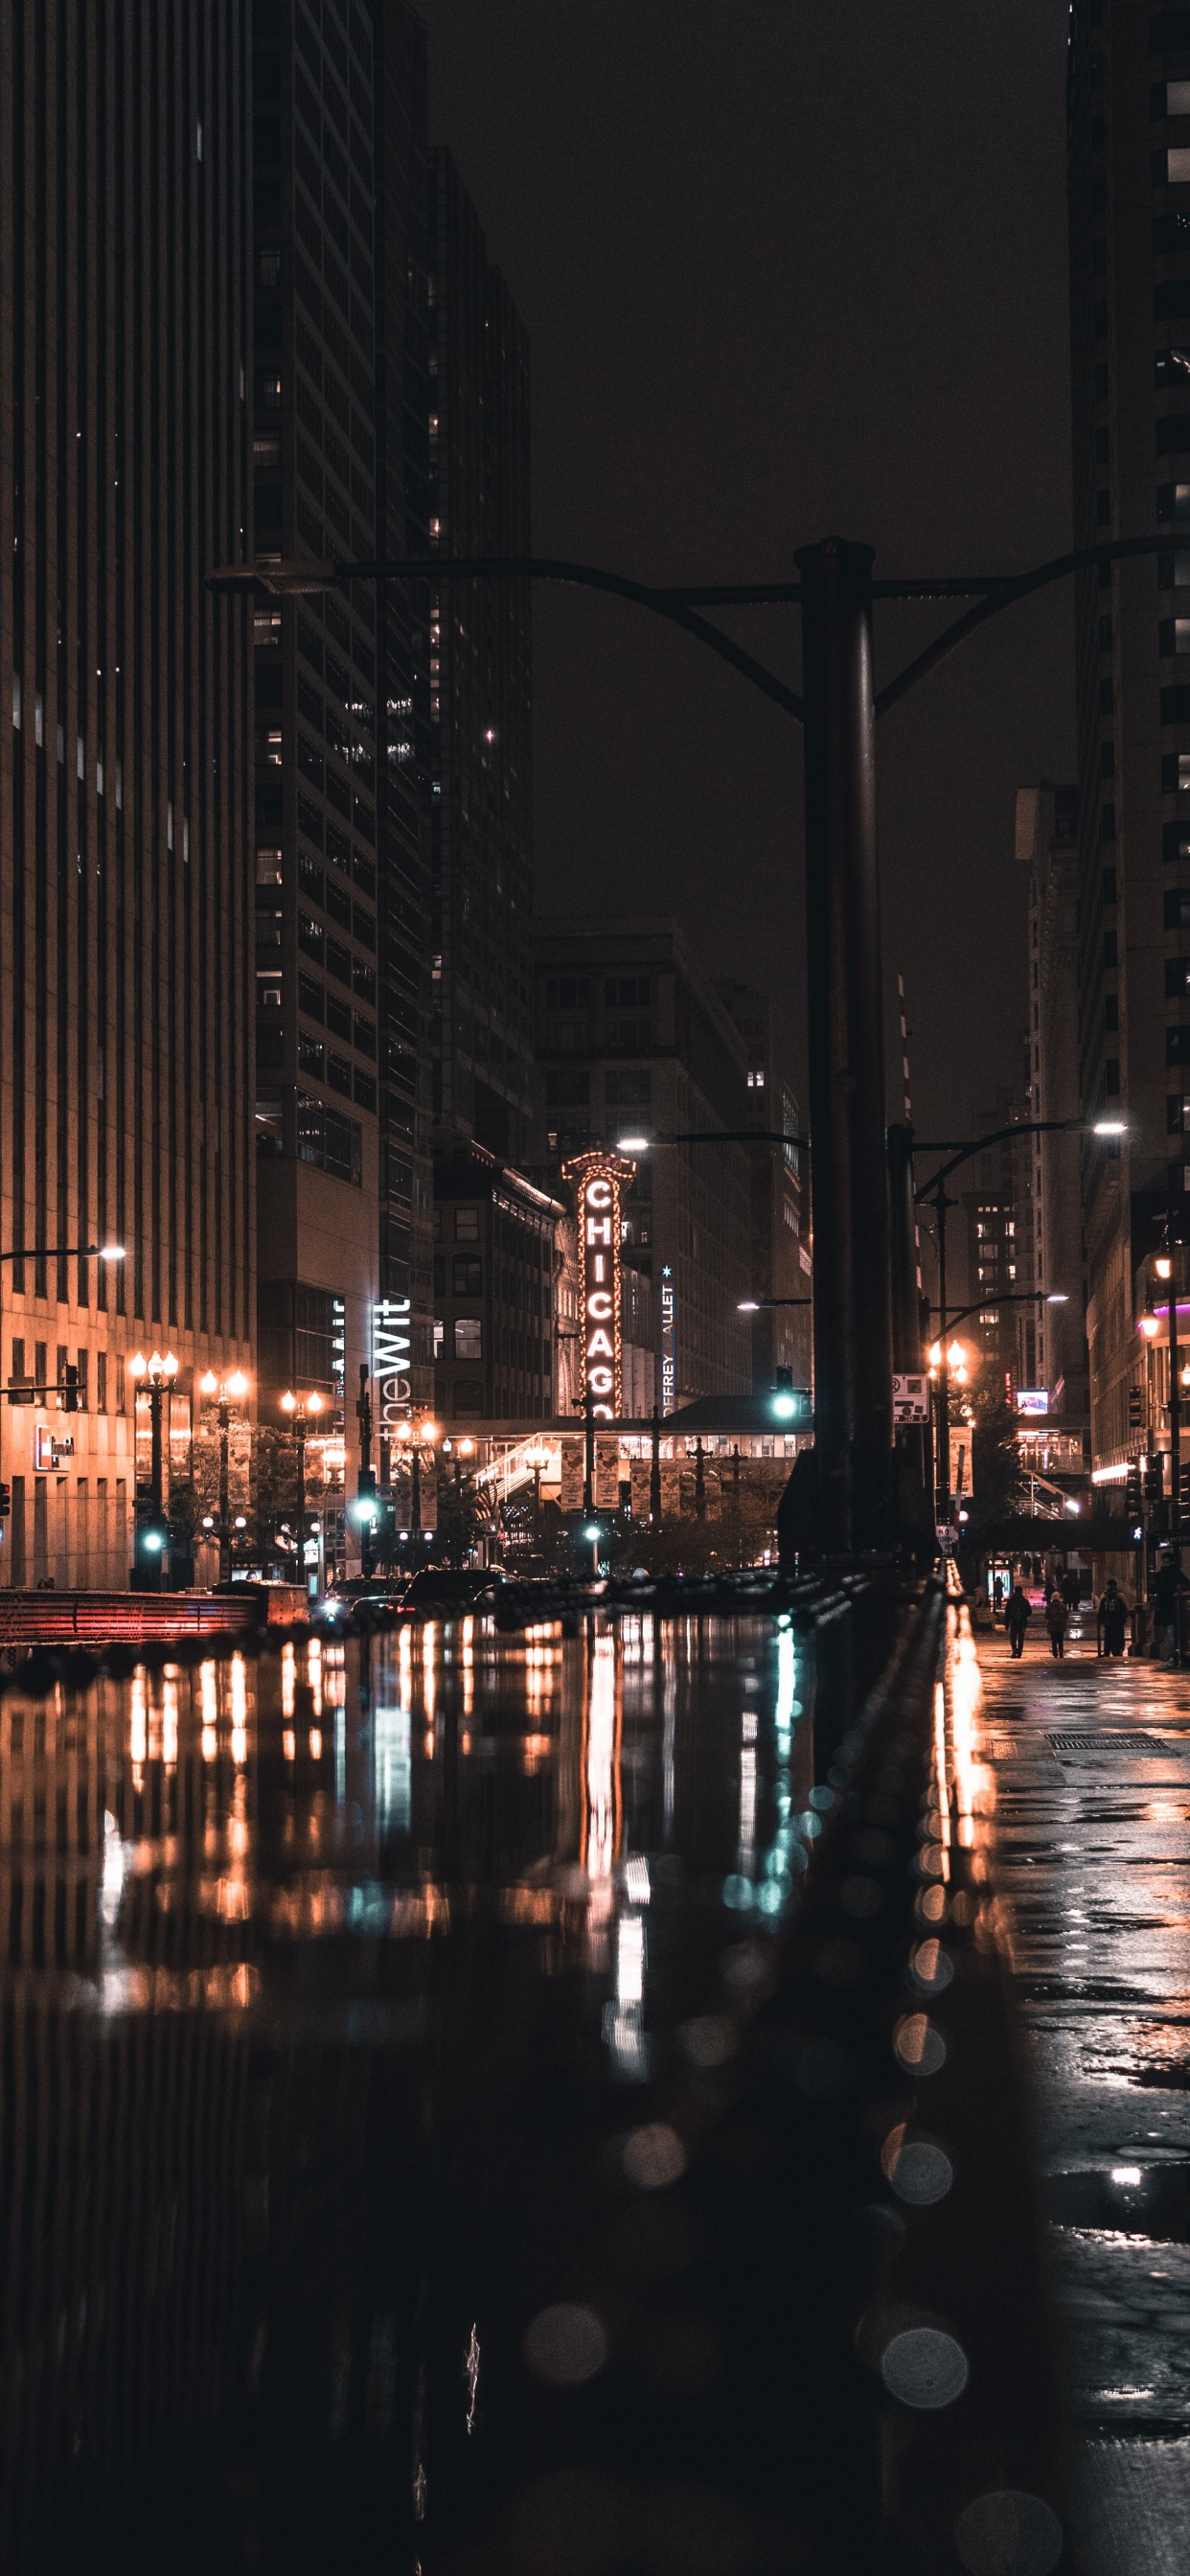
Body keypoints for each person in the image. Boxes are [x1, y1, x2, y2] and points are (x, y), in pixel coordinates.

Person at [1151, 1552, 1187, 1666]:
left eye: (1167, 1562)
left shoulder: (1175, 1574)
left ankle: (1172, 1656)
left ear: (1172, 1562)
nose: (1165, 1564)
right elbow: (1154, 1589)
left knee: (1171, 1633)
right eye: (1164, 1562)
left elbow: (1185, 1584)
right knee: (1166, 1634)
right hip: (1164, 1606)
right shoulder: (1160, 1575)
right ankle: (1170, 1655)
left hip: (1171, 1607)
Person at [1097, 1578, 1128, 1659]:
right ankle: (1117, 1651)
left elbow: (1100, 1608)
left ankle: (1107, 1651)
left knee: (1108, 1635)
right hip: (1118, 1619)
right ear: (1116, 1585)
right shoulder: (1120, 1595)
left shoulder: (1104, 1595)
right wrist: (1124, 1618)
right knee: (1119, 1635)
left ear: (1108, 1585)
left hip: (1108, 1619)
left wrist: (1101, 1619)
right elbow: (1125, 1607)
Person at [1005, 1582, 1032, 1659]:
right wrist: (1024, 1615)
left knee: (1013, 1637)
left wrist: (1006, 1623)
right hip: (1022, 1622)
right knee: (1021, 1638)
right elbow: (1029, 1612)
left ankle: (1014, 1649)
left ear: (1014, 1591)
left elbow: (1007, 1613)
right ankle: (1019, 1652)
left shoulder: (1011, 1601)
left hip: (1013, 1621)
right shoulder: (1024, 1601)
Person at [1044, 1590, 1068, 1659]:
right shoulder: (1063, 1606)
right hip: (1061, 1625)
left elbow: (1046, 1616)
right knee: (1060, 1640)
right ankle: (1061, 1651)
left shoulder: (1049, 1606)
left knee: (1054, 1640)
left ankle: (1055, 1653)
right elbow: (1067, 1616)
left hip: (1052, 1626)